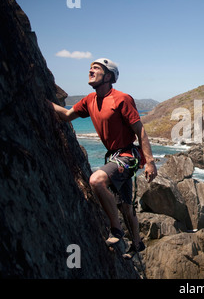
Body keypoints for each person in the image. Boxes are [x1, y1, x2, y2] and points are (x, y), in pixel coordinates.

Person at [49, 58, 157, 252]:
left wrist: (150, 162)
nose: (91, 70)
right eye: (90, 67)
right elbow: (66, 116)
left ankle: (116, 230)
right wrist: (42, 101)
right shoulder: (89, 100)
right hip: (113, 157)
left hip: (128, 156)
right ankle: (137, 244)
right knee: (125, 206)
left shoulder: (121, 99)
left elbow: (140, 131)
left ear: (108, 76)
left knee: (97, 180)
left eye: (96, 68)